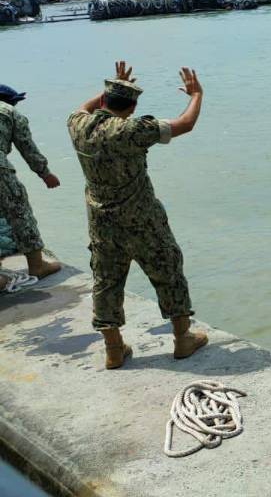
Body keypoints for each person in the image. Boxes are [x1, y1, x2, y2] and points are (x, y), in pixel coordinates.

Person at [67, 62, 208, 370]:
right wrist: (196, 94)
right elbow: (185, 124)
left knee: (105, 281)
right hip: (142, 219)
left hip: (101, 223)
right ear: (131, 108)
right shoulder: (131, 129)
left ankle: (113, 349)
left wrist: (111, 86)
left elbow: (83, 107)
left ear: (103, 102)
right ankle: (183, 340)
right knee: (168, 269)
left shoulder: (77, 126)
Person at [0, 83, 62, 279]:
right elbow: (27, 147)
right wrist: (45, 173)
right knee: (19, 213)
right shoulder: (9, 112)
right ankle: (37, 265)